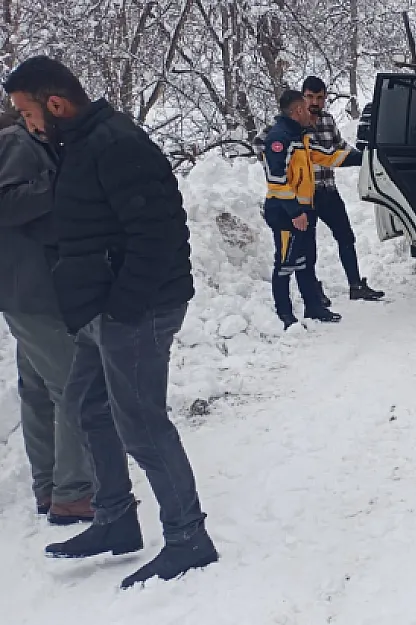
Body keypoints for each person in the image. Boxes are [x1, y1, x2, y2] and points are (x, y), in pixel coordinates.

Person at [3, 56, 218, 589]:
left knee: (142, 423)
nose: (25, 126)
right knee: (85, 406)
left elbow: (158, 235)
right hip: (105, 309)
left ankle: (189, 536)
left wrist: (123, 307)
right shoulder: (76, 143)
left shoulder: (117, 144)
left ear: (55, 105)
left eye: (26, 113)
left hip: (139, 308)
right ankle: (116, 519)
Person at [0, 111, 95, 525]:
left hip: (24, 287)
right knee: (73, 386)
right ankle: (73, 492)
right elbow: (8, 204)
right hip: (33, 287)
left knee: (38, 388)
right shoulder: (17, 142)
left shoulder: (29, 141)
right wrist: (61, 181)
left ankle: (49, 484)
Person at [253, 76, 383, 305]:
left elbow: (337, 150)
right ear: (302, 100)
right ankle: (312, 295)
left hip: (327, 190)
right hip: (303, 198)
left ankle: (355, 284)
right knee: (307, 248)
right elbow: (261, 145)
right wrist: (276, 170)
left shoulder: (326, 121)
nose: (314, 102)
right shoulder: (283, 128)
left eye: (319, 98)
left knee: (345, 236)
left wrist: (365, 158)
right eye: (310, 97)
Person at [261, 89, 363, 328]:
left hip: (303, 210)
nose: (311, 110)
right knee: (285, 263)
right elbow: (276, 180)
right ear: (297, 111)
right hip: (285, 212)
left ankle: (314, 308)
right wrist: (295, 212)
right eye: (306, 107)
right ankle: (284, 314)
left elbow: (328, 156)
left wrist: (365, 156)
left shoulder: (301, 137)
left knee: (306, 260)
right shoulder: (280, 138)